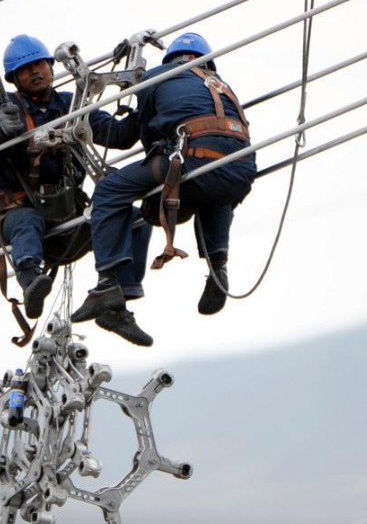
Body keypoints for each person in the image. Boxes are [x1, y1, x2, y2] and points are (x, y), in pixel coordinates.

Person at [71, 31, 256, 346]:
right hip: (242, 171)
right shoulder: (222, 86)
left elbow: (133, 138)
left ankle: (107, 285)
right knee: (216, 184)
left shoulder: (159, 77)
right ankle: (218, 265)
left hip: (191, 164)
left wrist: (83, 113)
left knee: (111, 191)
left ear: (169, 60)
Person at [0, 34, 151, 320]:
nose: (35, 72)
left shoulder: (71, 103)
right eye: (25, 69)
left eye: (40, 65)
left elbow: (119, 136)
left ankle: (116, 299)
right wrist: (5, 131)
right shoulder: (6, 105)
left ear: (50, 66)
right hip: (25, 210)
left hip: (69, 212)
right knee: (27, 222)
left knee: (134, 218)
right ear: (15, 78)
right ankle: (31, 282)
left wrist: (145, 100)